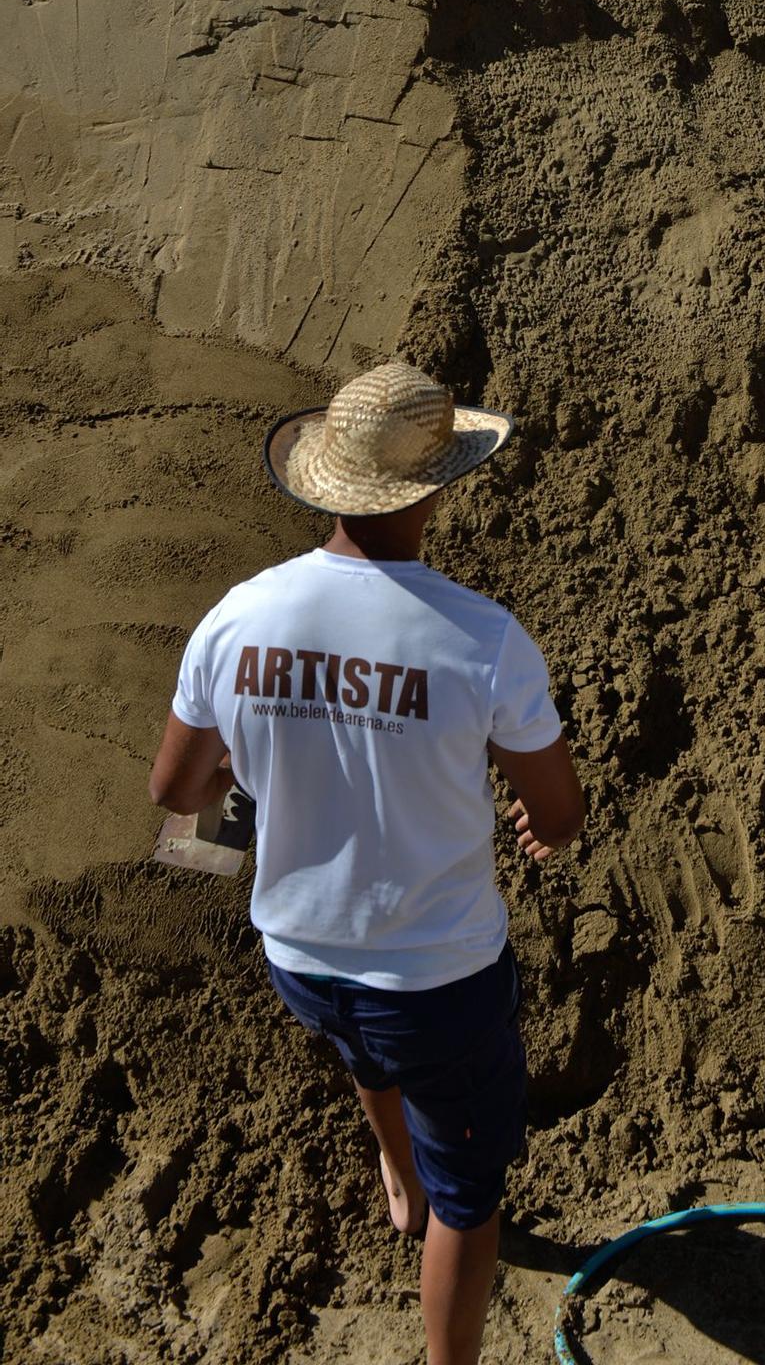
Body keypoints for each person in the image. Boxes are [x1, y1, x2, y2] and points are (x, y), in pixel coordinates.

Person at [149, 361, 585, 1365]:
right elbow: (555, 808)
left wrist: (268, 754)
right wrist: (538, 818)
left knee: (361, 1046)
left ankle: (396, 1173)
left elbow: (176, 790)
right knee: (470, 1198)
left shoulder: (239, 615)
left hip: (299, 956)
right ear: (432, 488)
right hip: (437, 977)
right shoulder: (482, 640)